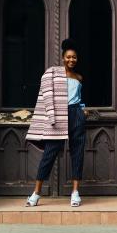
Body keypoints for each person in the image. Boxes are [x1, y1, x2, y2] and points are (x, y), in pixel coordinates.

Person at [25, 38, 86, 207]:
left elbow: (78, 98)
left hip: (76, 115)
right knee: (50, 153)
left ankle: (75, 193)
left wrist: (83, 110)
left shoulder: (79, 77)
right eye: (68, 57)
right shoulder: (53, 73)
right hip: (58, 116)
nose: (71, 60)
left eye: (74, 57)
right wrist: (51, 115)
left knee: (78, 153)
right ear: (63, 57)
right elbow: (46, 93)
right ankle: (36, 193)